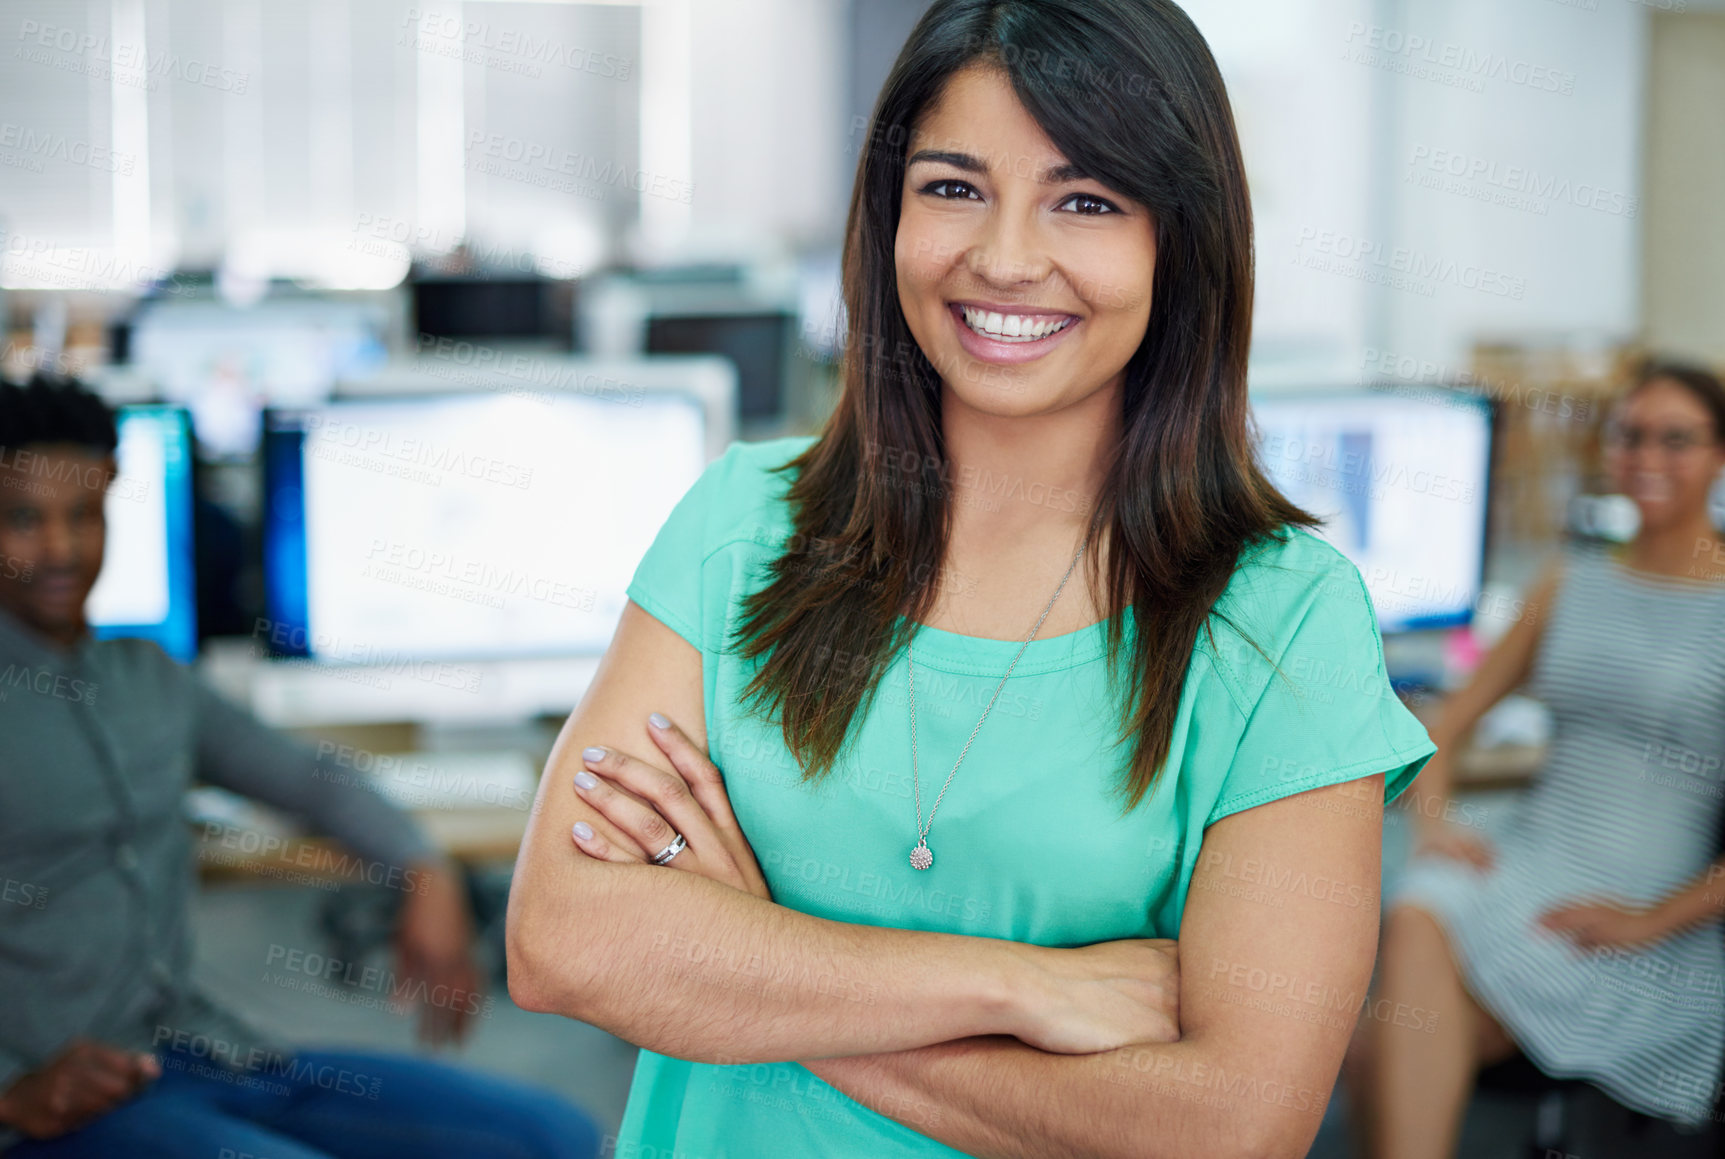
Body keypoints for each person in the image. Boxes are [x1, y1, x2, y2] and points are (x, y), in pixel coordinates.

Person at [505, 2, 1438, 1156]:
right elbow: (563, 941)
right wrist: (1017, 986)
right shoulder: (744, 524)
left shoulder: (1284, 620)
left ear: (1181, 243)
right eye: (953, 187)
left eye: (1085, 202)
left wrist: (745, 959)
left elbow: (1231, 1129)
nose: (1004, 258)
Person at [0, 373, 602, 1158]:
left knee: (550, 1135)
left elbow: (310, 778)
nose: (60, 548)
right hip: (64, 1103)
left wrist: (424, 867)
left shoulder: (147, 678)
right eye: (24, 519)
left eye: (84, 514)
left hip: (204, 1052)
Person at [1357, 360, 1725, 1158]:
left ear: (1719, 454)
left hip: (1651, 904)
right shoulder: (1569, 581)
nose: (1645, 457)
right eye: (1628, 436)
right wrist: (1435, 821)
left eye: (1675, 439)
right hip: (1531, 862)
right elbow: (1446, 720)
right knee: (1420, 911)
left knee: (1387, 1021)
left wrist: (1648, 920)